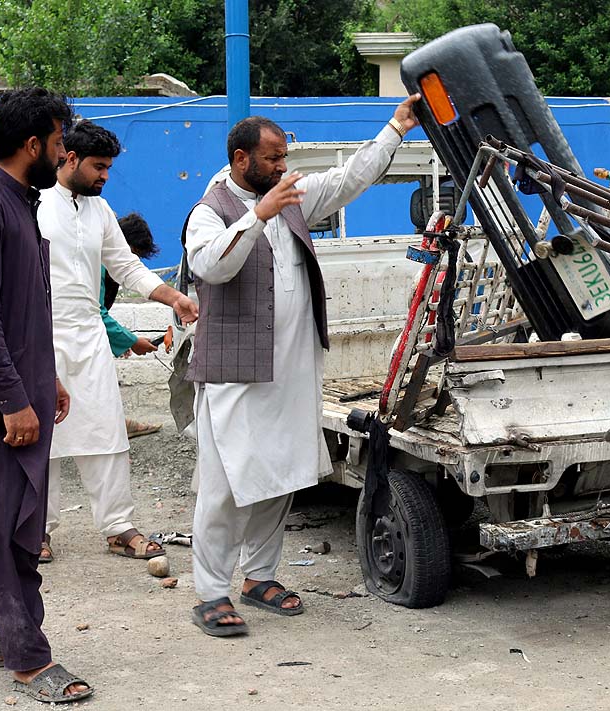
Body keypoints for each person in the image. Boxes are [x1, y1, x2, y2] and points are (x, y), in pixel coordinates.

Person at [183, 96, 419, 636]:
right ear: (241, 159)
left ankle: (259, 576)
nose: (282, 167)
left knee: (280, 476)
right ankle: (211, 592)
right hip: (235, 375)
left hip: (291, 372)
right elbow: (211, 267)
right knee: (225, 486)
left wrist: (396, 126)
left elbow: (348, 179)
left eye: (284, 157)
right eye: (272, 159)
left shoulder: (289, 198)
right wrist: (257, 215)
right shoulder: (208, 211)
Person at [0, 87, 93, 703]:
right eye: (58, 142)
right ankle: (29, 659)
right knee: (11, 523)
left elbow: (24, 307)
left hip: (20, 390)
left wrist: (43, 376)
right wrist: (12, 399)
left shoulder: (18, 202)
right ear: (33, 144)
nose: (63, 153)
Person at [37, 120, 198, 564]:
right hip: (40, 335)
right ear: (71, 159)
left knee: (106, 432)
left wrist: (173, 297)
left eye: (108, 167)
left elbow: (125, 266)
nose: (105, 176)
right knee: (43, 440)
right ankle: (36, 531)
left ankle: (118, 526)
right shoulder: (35, 203)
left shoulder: (100, 211)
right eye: (99, 167)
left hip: (89, 335)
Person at [104, 212, 164, 439]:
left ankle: (115, 424)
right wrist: (129, 341)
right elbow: (94, 313)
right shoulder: (99, 264)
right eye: (133, 255)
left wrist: (119, 340)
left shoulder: (108, 268)